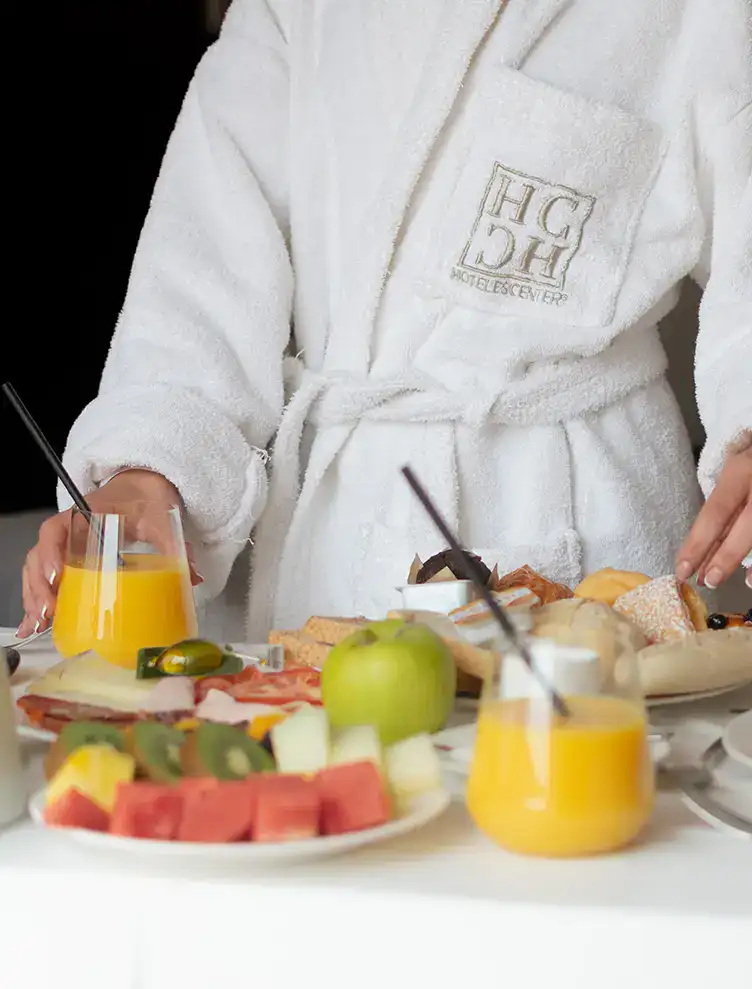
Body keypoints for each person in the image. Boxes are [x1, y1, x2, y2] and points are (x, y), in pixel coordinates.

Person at [17, 0, 751, 642]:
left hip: (586, 539)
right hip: (334, 547)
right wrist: (152, 468)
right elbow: (202, 264)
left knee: (593, 790)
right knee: (327, 786)